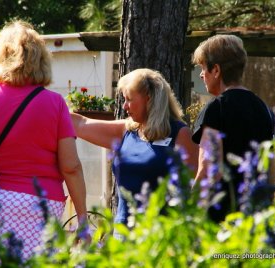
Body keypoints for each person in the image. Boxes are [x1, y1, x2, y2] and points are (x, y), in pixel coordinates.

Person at [0, 20, 87, 260]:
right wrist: (83, 218)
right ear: (41, 61)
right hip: (42, 205)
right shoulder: (55, 104)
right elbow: (71, 166)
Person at [71, 68, 199, 226]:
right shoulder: (127, 131)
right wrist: (47, 103)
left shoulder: (181, 134)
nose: (124, 106)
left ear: (149, 98)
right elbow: (81, 124)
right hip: (123, 232)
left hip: (161, 236)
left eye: (129, 99)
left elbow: (196, 190)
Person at [191, 34, 275, 222]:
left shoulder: (216, 108)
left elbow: (209, 169)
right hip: (256, 215)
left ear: (216, 70)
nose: (201, 74)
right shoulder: (263, 108)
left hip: (222, 218)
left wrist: (187, 210)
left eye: (204, 68)